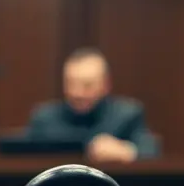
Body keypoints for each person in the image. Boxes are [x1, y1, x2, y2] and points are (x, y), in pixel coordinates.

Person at [25, 48, 159, 163]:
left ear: (106, 85)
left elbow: (151, 150)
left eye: (87, 85)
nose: (77, 93)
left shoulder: (127, 114)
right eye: (71, 83)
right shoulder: (45, 117)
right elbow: (22, 154)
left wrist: (125, 151)